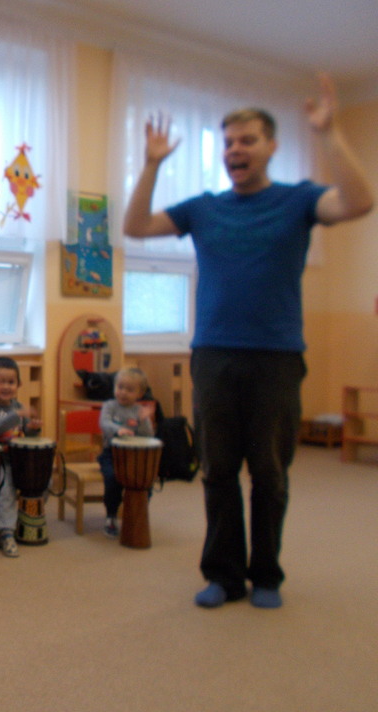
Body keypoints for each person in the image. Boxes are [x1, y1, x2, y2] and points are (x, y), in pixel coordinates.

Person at [122, 73, 373, 609]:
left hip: (277, 358)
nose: (236, 149)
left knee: (269, 473)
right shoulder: (204, 208)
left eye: (248, 140)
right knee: (217, 472)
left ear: (271, 147)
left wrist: (329, 134)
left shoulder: (298, 200)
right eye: (229, 142)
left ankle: (267, 577)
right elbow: (135, 225)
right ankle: (224, 576)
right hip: (214, 356)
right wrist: (152, 165)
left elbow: (359, 202)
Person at [0, 356, 41, 557]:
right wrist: (18, 415)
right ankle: (6, 532)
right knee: (6, 488)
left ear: (19, 384)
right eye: (2, 382)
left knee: (42, 483)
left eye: (11, 382)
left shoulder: (18, 406)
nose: (7, 387)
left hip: (17, 460)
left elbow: (26, 435)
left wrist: (33, 428)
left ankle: (23, 521)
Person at [97, 368, 154, 539]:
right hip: (111, 453)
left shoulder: (139, 411)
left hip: (134, 456)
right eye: (120, 387)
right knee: (112, 478)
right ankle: (111, 515)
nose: (123, 392)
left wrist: (144, 420)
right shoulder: (110, 406)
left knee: (146, 481)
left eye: (129, 389)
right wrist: (118, 430)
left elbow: (148, 436)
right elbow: (104, 423)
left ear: (140, 393)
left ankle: (135, 513)